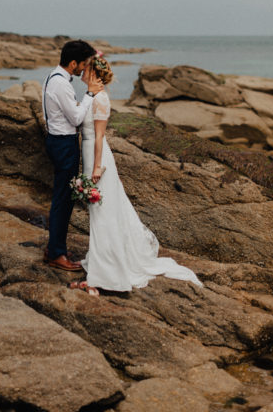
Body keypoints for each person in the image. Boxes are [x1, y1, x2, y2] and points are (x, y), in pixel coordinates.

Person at [70, 52, 203, 295]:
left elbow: (99, 136)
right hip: (89, 153)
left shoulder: (100, 99)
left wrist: (97, 167)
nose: (81, 73)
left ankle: (103, 276)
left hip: (97, 156)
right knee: (100, 213)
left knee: (102, 214)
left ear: (93, 73)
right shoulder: (91, 96)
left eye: (85, 70)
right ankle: (100, 263)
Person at [42, 39, 103, 271]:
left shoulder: (52, 77)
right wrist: (89, 94)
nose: (84, 69)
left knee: (62, 198)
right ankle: (57, 253)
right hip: (64, 144)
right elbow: (76, 119)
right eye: (83, 64)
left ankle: (54, 247)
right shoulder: (61, 84)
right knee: (63, 201)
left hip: (56, 140)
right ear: (73, 63)